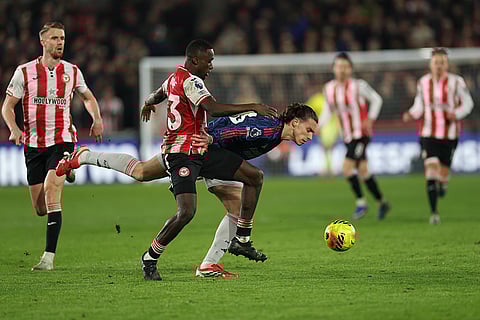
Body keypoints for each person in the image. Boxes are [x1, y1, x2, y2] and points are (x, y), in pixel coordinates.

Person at [56, 102, 317, 278]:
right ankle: (231, 247)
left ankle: (210, 264)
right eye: (308, 129)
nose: (310, 136)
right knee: (144, 174)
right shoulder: (268, 129)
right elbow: (234, 129)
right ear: (294, 122)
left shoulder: (272, 130)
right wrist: (212, 139)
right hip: (202, 150)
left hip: (209, 154)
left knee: (143, 172)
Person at [1, 21, 103, 271]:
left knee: (52, 188)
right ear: (43, 42)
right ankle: (69, 170)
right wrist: (14, 129)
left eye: (63, 38)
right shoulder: (24, 72)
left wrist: (97, 118)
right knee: (40, 208)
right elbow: (7, 106)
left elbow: (87, 97)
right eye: (55, 38)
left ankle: (48, 257)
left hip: (62, 139)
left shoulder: (72, 71)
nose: (60, 43)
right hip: (34, 145)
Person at [402, 48, 474, 224]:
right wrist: (411, 114)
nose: (439, 66)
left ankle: (443, 183)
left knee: (442, 172)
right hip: (428, 133)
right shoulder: (423, 83)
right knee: (431, 168)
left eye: (442, 62)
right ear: (431, 64)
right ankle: (434, 213)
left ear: (447, 64)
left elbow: (468, 104)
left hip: (450, 134)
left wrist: (456, 114)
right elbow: (419, 105)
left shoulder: (457, 82)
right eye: (436, 62)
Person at [318, 52, 390, 220]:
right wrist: (319, 125)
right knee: (363, 171)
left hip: (361, 134)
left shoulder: (359, 86)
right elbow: (329, 110)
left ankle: (361, 203)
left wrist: (370, 119)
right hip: (347, 136)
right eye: (339, 66)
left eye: (345, 67)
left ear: (350, 69)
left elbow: (377, 100)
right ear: (333, 69)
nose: (342, 70)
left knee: (347, 168)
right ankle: (382, 202)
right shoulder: (329, 88)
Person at [306, 90, 340, 176]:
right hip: (325, 127)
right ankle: (329, 169)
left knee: (327, 148)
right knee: (327, 149)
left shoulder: (333, 99)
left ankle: (328, 169)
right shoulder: (319, 99)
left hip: (330, 127)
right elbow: (307, 109)